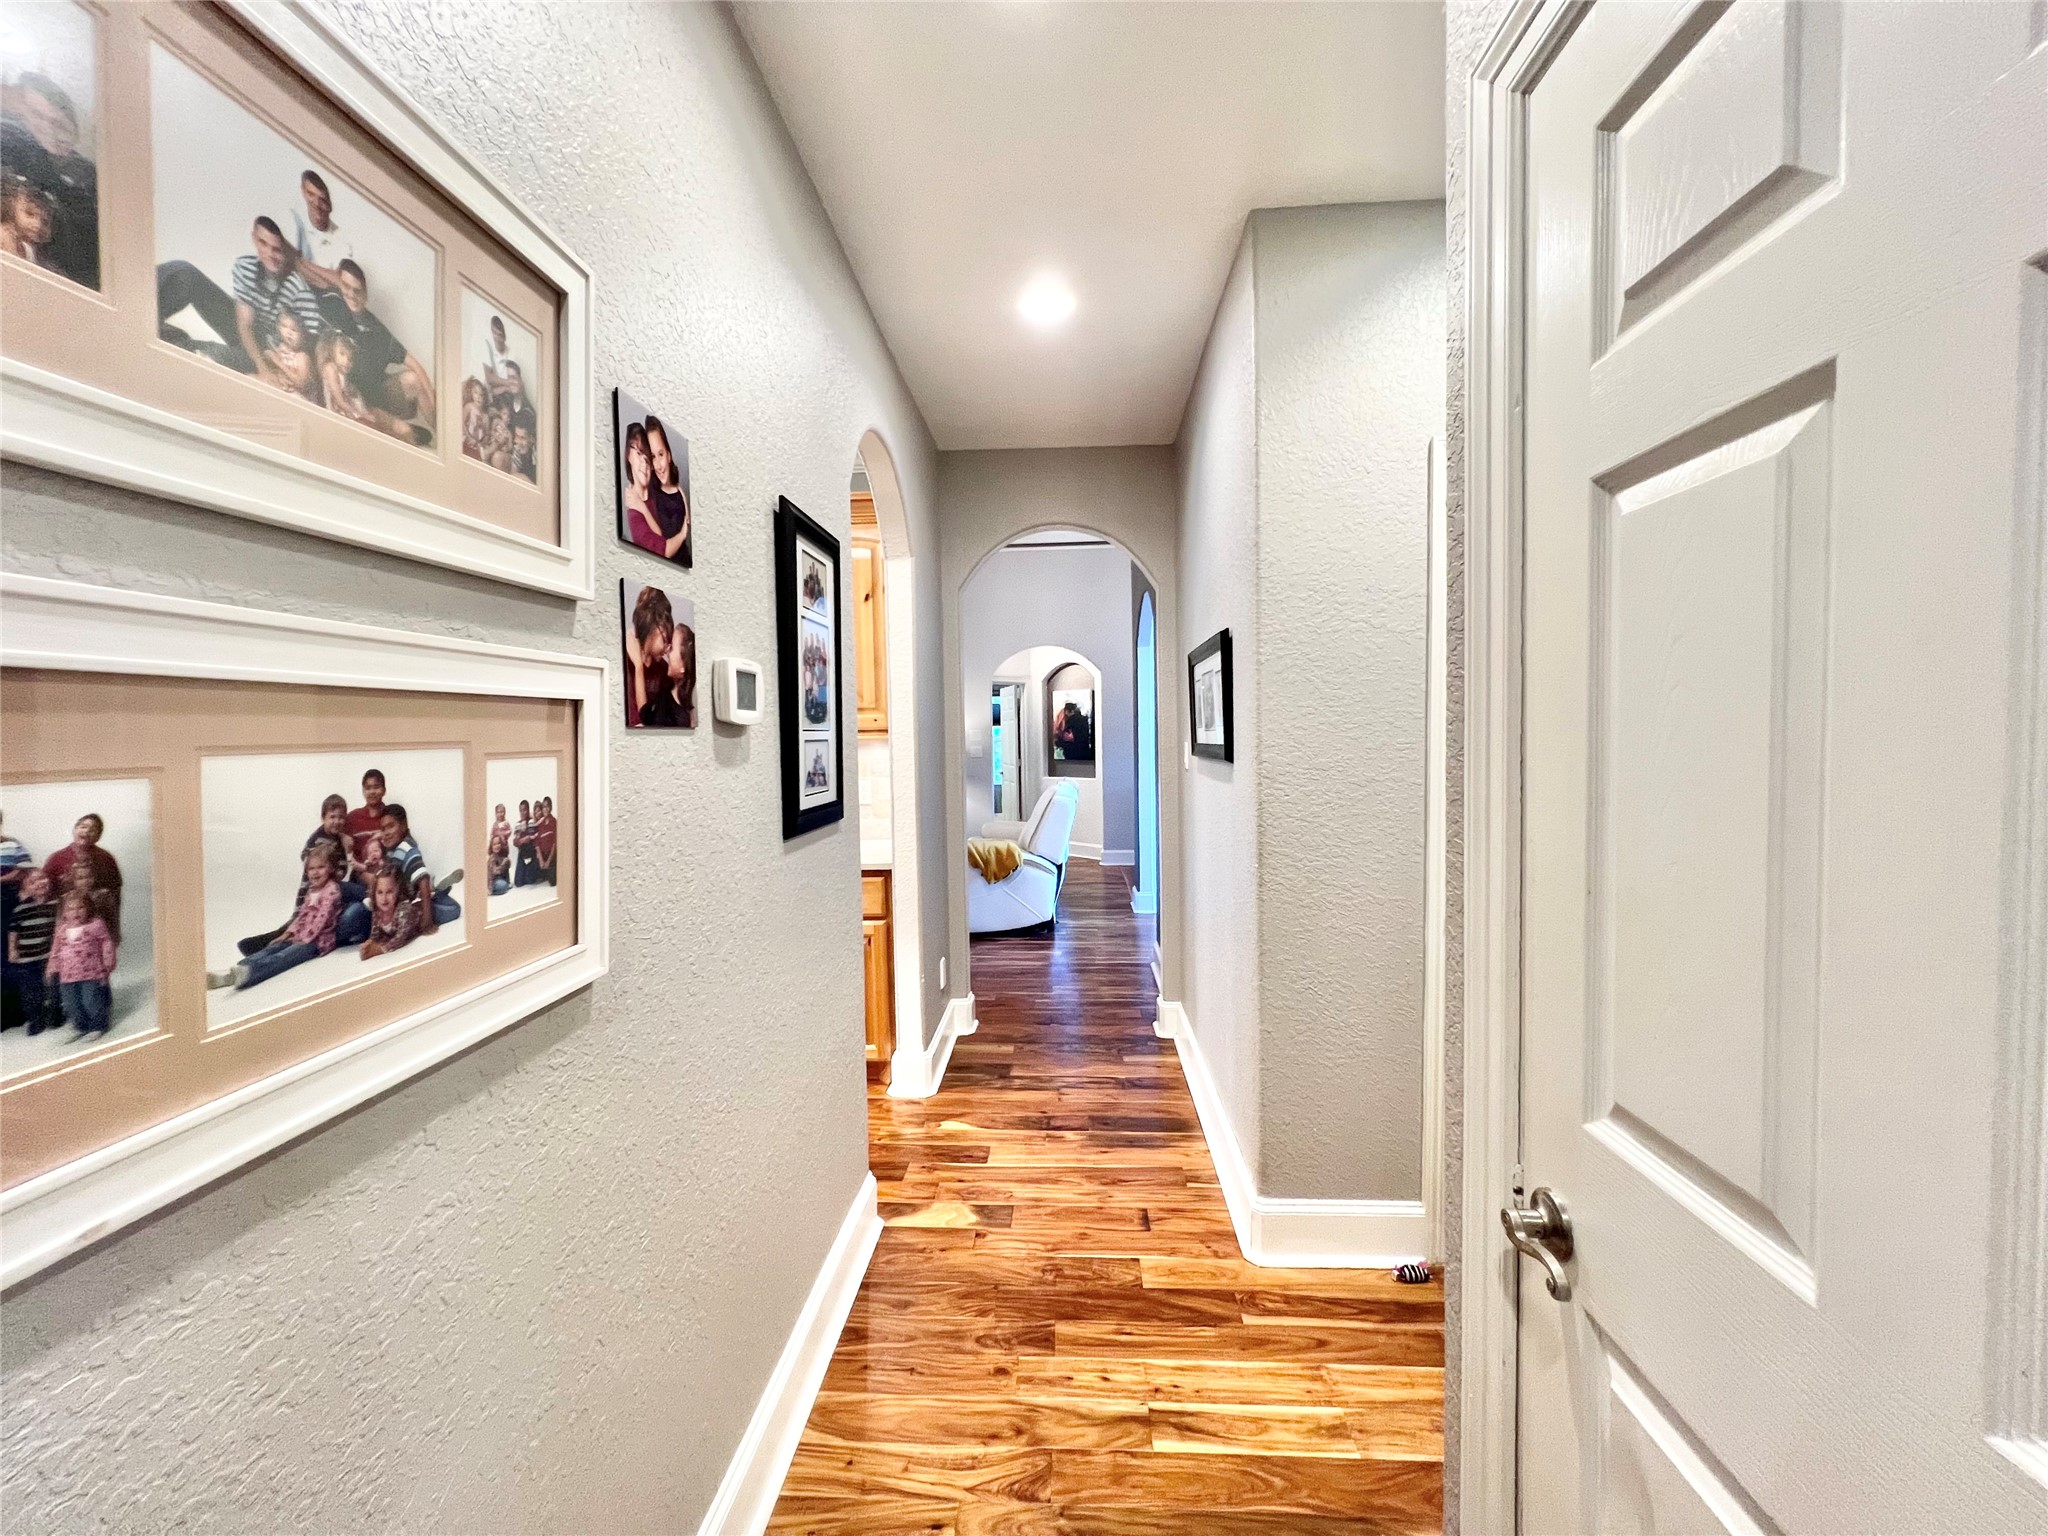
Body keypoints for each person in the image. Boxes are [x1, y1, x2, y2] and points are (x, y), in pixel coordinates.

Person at [157, 216, 323, 382]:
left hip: (270, 354)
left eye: (277, 249)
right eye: (263, 244)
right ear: (254, 238)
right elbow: (244, 324)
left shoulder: (299, 290)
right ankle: (143, 311)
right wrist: (261, 366)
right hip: (250, 336)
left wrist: (267, 368)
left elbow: (310, 353)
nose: (269, 254)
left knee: (207, 353)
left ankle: (164, 340)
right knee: (184, 273)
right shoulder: (246, 267)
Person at [317, 259, 434, 444]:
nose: (352, 295)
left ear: (365, 294)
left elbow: (417, 367)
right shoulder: (332, 304)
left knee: (413, 378)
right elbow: (306, 268)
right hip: (353, 397)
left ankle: (440, 437)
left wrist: (436, 410)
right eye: (346, 286)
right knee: (402, 432)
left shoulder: (376, 328)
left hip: (377, 397)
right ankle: (402, 431)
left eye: (358, 290)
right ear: (339, 283)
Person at [0, 72, 98, 288]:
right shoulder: (8, 143)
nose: (44, 129)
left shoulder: (85, 179)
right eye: (34, 115)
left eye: (57, 124)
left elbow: (93, 256)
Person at [210, 842, 341, 992]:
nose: (315, 872)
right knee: (272, 948)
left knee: (283, 957)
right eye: (311, 868)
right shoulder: (312, 890)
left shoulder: (331, 890)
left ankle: (250, 973)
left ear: (330, 868)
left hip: (317, 942)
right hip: (299, 936)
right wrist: (286, 935)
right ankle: (236, 971)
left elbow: (322, 919)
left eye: (320, 867)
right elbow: (301, 916)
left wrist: (304, 938)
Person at [238, 794, 353, 957]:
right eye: (332, 817)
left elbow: (340, 871)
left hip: (321, 894)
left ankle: (258, 945)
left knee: (293, 925)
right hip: (311, 895)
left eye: (341, 817)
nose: (337, 821)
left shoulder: (336, 839)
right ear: (323, 818)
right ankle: (260, 947)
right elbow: (320, 863)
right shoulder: (320, 840)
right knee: (296, 925)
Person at [336, 802, 460, 945]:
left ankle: (436, 894)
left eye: (391, 826)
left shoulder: (407, 849)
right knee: (341, 889)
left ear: (403, 826)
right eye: (383, 828)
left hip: (393, 904)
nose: (386, 832)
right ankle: (437, 891)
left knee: (453, 909)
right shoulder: (389, 848)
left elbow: (423, 879)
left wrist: (427, 918)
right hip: (382, 899)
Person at [47, 884, 115, 1038]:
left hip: (91, 972)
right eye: (70, 909)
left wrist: (108, 960)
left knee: (91, 1000)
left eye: (80, 908)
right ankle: (81, 1026)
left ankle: (98, 1025)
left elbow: (106, 942)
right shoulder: (62, 930)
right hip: (67, 975)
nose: (76, 912)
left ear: (88, 908)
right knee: (71, 1004)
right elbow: (56, 949)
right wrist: (52, 966)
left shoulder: (95, 925)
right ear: (64, 913)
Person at [43, 813, 119, 943]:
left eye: (92, 829)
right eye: (83, 826)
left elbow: (115, 895)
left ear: (98, 836)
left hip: (98, 931)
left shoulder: (106, 859)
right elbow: (45, 895)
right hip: (67, 930)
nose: (87, 831)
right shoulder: (56, 858)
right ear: (75, 829)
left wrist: (115, 932)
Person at [5, 868, 56, 1035]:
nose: (39, 883)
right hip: (27, 959)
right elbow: (13, 931)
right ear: (25, 889)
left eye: (42, 878)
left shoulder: (55, 904)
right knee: (31, 991)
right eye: (32, 882)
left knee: (52, 987)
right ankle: (36, 1020)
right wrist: (12, 950)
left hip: (48, 955)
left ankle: (54, 1015)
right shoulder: (21, 909)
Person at [288, 168, 351, 293]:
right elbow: (289, 263)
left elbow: (342, 283)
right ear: (303, 192)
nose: (316, 204)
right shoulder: (294, 217)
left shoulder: (342, 239)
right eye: (311, 194)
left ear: (330, 205)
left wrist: (303, 263)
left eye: (322, 199)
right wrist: (325, 280)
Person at [645, 416, 691, 563]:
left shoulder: (679, 490)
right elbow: (662, 549)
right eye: (652, 457)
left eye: (661, 454)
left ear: (669, 455)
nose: (658, 465)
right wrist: (684, 532)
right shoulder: (651, 496)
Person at [358, 866, 420, 960]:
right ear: (374, 894)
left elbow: (400, 938)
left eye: (389, 892)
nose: (384, 898)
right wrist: (368, 944)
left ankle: (440, 893)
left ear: (398, 891)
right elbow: (375, 934)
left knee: (446, 911)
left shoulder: (404, 910)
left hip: (423, 910)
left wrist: (379, 949)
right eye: (380, 892)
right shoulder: (377, 910)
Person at [621, 422, 664, 554]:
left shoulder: (659, 497)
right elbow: (662, 549)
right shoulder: (632, 512)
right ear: (628, 455)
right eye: (639, 453)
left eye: (647, 459)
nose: (644, 464)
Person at [263, 305, 320, 402]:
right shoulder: (276, 351)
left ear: (302, 335)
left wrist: (278, 363)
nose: (289, 333)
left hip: (299, 398)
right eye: (284, 326)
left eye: (294, 330)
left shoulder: (301, 357)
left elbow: (301, 383)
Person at [0, 176, 57, 269]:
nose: (37, 225)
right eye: (30, 214)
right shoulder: (2, 237)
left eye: (45, 222)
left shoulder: (29, 250)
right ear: (11, 208)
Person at [343, 770, 390, 871]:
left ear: (384, 790)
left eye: (376, 787)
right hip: (360, 874)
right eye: (368, 788)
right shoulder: (353, 817)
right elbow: (332, 828)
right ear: (363, 792)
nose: (372, 792)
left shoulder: (391, 816)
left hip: (387, 873)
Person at [511, 800, 539, 887]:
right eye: (521, 810)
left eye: (525, 810)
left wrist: (521, 839)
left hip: (531, 852)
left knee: (530, 880)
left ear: (528, 810)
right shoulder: (517, 824)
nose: (523, 812)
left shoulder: (531, 821)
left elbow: (530, 838)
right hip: (522, 853)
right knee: (518, 882)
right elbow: (515, 842)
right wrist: (521, 840)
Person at [460, 378, 488, 461]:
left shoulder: (485, 416)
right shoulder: (469, 406)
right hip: (467, 439)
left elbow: (486, 434)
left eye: (481, 394)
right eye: (476, 393)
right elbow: (461, 422)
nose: (479, 397)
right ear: (471, 394)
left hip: (477, 444)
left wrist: (481, 442)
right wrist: (468, 437)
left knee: (479, 455)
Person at [534, 797, 558, 886]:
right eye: (544, 807)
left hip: (551, 856)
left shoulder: (553, 821)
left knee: (552, 882)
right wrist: (541, 860)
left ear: (551, 808)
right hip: (542, 856)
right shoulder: (540, 822)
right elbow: (537, 843)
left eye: (547, 806)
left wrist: (548, 861)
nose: (545, 809)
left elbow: (554, 843)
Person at [487, 828, 511, 897]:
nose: (497, 846)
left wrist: (506, 863)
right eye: (494, 844)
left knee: (504, 884)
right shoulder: (492, 858)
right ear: (491, 847)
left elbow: (506, 870)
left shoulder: (502, 855)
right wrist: (489, 889)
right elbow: (493, 873)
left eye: (498, 844)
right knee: (502, 885)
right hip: (493, 880)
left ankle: (506, 883)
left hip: (501, 878)